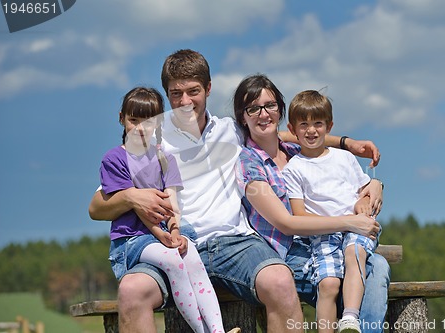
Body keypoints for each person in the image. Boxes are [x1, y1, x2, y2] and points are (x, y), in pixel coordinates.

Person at [88, 49, 385, 333]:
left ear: (208, 89)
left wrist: (347, 144)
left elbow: (279, 132)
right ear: (167, 95)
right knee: (131, 290)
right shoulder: (153, 139)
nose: (185, 101)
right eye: (176, 93)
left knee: (280, 281)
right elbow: (96, 207)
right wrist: (130, 197)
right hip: (176, 244)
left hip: (236, 243)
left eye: (193, 91)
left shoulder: (229, 130)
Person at [233, 74, 389, 333]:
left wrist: (374, 184)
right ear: (243, 116)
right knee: (373, 269)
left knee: (374, 265)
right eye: (253, 108)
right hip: (289, 254)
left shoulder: (295, 152)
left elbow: (315, 139)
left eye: (270, 106)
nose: (263, 114)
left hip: (328, 242)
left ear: (280, 111)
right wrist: (351, 221)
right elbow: (286, 223)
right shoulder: (249, 163)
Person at [100, 86, 235, 333]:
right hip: (132, 239)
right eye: (133, 120)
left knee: (191, 256)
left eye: (149, 122)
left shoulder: (165, 159)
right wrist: (163, 235)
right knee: (174, 259)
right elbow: (141, 207)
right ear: (121, 118)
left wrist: (174, 230)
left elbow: (172, 202)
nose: (141, 128)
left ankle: (218, 330)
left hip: (162, 233)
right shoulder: (115, 159)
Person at [281, 90, 383, 332]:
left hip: (357, 229)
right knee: (327, 284)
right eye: (303, 124)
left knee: (354, 253)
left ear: (329, 126)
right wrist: (346, 221)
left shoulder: (344, 158)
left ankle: (349, 318)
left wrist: (364, 204)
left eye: (318, 123)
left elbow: (363, 194)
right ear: (292, 129)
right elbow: (298, 214)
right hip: (323, 234)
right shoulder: (294, 169)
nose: (311, 130)